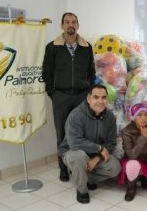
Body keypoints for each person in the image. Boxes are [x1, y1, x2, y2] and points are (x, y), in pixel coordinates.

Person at [42, 12, 96, 182]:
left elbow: (91, 72)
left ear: (78, 26)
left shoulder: (87, 47)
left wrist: (89, 92)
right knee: (62, 133)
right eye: (67, 22)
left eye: (73, 22)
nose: (70, 25)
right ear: (62, 26)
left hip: (81, 96)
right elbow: (47, 72)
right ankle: (64, 168)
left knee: (82, 132)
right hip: (61, 96)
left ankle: (83, 166)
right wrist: (53, 93)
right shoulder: (52, 47)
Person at [58, 85, 121, 204]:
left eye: (103, 97)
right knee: (79, 157)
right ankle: (82, 190)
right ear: (88, 99)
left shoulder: (110, 117)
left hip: (95, 154)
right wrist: (99, 148)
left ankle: (86, 177)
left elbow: (112, 142)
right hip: (72, 151)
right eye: (96, 97)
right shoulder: (76, 115)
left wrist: (98, 157)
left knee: (115, 167)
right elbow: (74, 143)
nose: (100, 101)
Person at [118, 102, 147, 201]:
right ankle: (131, 186)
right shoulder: (127, 132)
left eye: (146, 114)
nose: (144, 118)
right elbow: (131, 155)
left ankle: (143, 176)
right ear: (134, 117)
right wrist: (143, 137)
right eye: (139, 115)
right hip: (133, 160)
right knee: (132, 165)